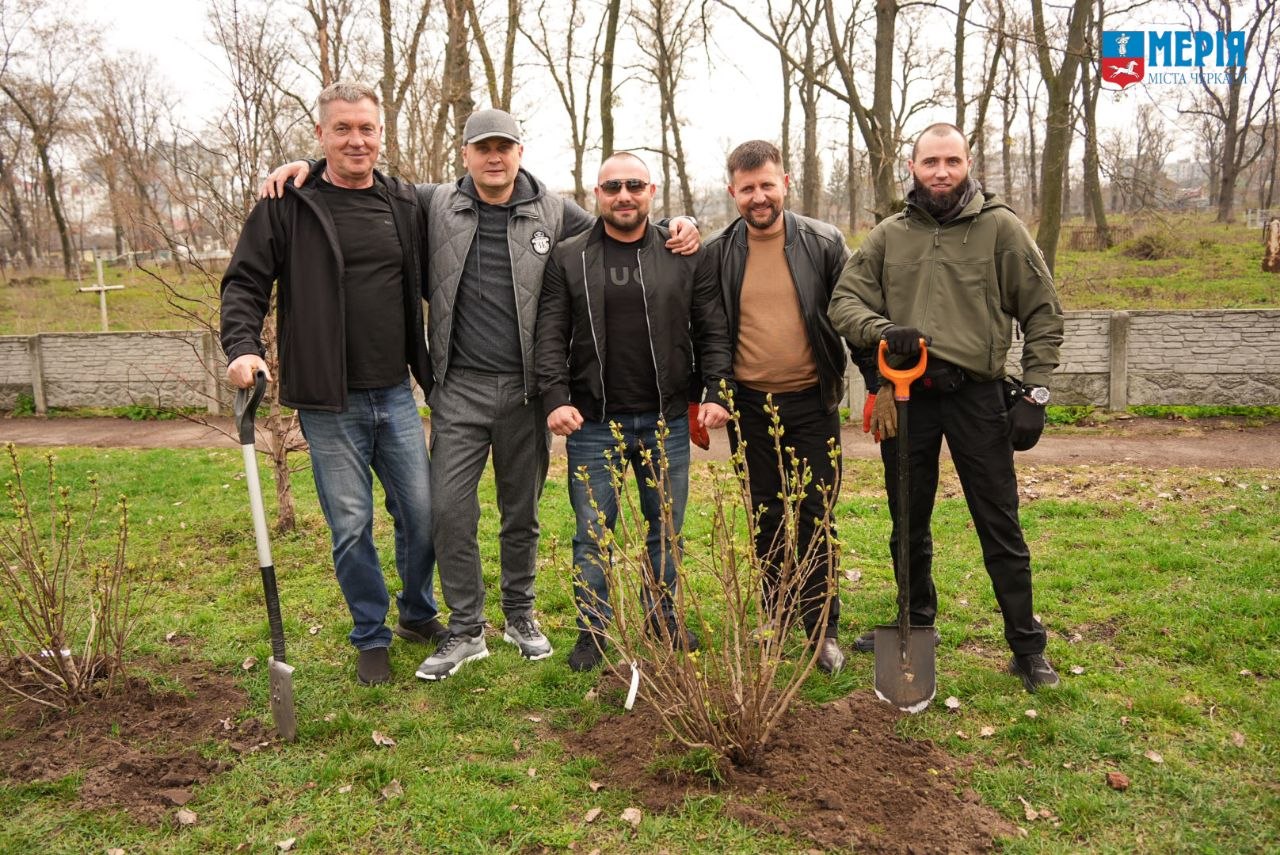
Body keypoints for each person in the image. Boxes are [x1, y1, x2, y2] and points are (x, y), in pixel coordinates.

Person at [261, 110, 701, 682]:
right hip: (458, 389)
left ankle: (520, 615)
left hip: (525, 391)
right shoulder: (432, 203)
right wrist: (308, 166)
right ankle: (466, 628)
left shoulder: (553, 211)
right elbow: (362, 178)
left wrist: (678, 223)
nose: (494, 157)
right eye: (482, 148)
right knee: (448, 511)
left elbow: (620, 222)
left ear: (520, 152)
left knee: (521, 512)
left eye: (504, 147)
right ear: (465, 154)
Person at [827, 122, 1065, 693]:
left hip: (976, 397)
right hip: (907, 396)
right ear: (912, 167)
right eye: (930, 161)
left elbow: (1043, 311)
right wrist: (883, 330)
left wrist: (1036, 392)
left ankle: (1026, 646)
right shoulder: (889, 235)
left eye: (951, 161)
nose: (941, 172)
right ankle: (915, 622)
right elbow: (843, 302)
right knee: (907, 519)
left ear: (968, 164)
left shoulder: (1001, 229)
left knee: (998, 521)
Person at [221, 82, 439, 686]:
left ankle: (417, 612)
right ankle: (370, 634)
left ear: (381, 134)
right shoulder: (287, 204)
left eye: (366, 128)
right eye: (342, 128)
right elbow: (244, 282)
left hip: (396, 390)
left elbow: (475, 204)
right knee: (351, 526)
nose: (356, 140)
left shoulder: (404, 202)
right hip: (328, 400)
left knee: (423, 515)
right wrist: (242, 347)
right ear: (321, 134)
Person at [535, 152, 734, 672]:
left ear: (651, 192)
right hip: (593, 422)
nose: (623, 195)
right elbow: (549, 335)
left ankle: (662, 618)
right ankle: (594, 631)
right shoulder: (569, 258)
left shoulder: (684, 254)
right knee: (592, 533)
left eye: (634, 185)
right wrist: (555, 397)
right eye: (612, 187)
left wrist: (716, 390)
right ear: (596, 195)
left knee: (665, 529)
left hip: (666, 420)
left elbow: (712, 328)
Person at [705, 140, 879, 676]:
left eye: (767, 185)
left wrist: (876, 385)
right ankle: (776, 617)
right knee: (767, 517)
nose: (758, 197)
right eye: (747, 188)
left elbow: (851, 315)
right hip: (749, 409)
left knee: (814, 516)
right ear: (732, 191)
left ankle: (821, 629)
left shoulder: (823, 243)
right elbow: (711, 332)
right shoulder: (718, 253)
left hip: (811, 402)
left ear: (785, 184)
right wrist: (713, 393)